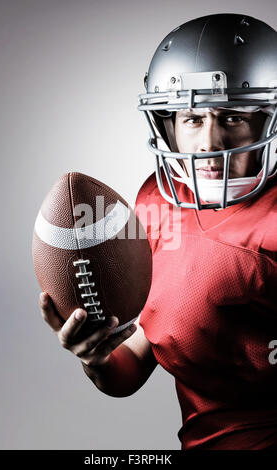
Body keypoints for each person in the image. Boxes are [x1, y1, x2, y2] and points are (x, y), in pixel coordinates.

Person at [39, 13, 277, 450]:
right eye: (191, 119)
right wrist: (98, 356)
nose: (208, 143)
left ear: (267, 122)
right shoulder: (155, 203)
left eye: (232, 118)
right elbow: (138, 359)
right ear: (167, 124)